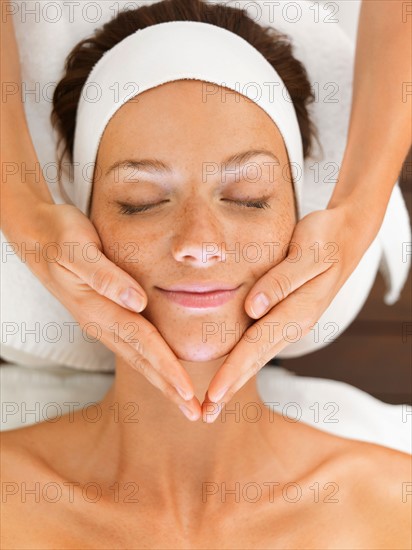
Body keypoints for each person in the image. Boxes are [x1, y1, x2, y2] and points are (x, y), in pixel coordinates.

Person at [1, 3, 411, 548]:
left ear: (299, 224)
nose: (199, 243)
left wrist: (363, 208)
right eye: (141, 202)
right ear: (81, 224)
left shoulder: (391, 506)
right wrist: (20, 211)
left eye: (248, 198)